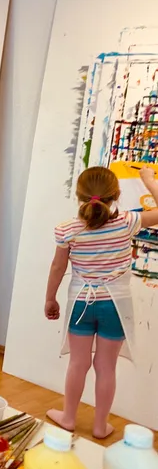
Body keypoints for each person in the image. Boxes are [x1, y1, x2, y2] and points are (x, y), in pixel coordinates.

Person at [45, 166, 158, 438]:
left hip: (82, 304)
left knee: (78, 364)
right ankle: (99, 425)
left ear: (78, 196)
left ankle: (69, 417)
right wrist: (149, 181)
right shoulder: (128, 222)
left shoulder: (67, 230)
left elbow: (58, 267)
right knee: (106, 367)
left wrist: (50, 298)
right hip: (115, 306)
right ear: (115, 195)